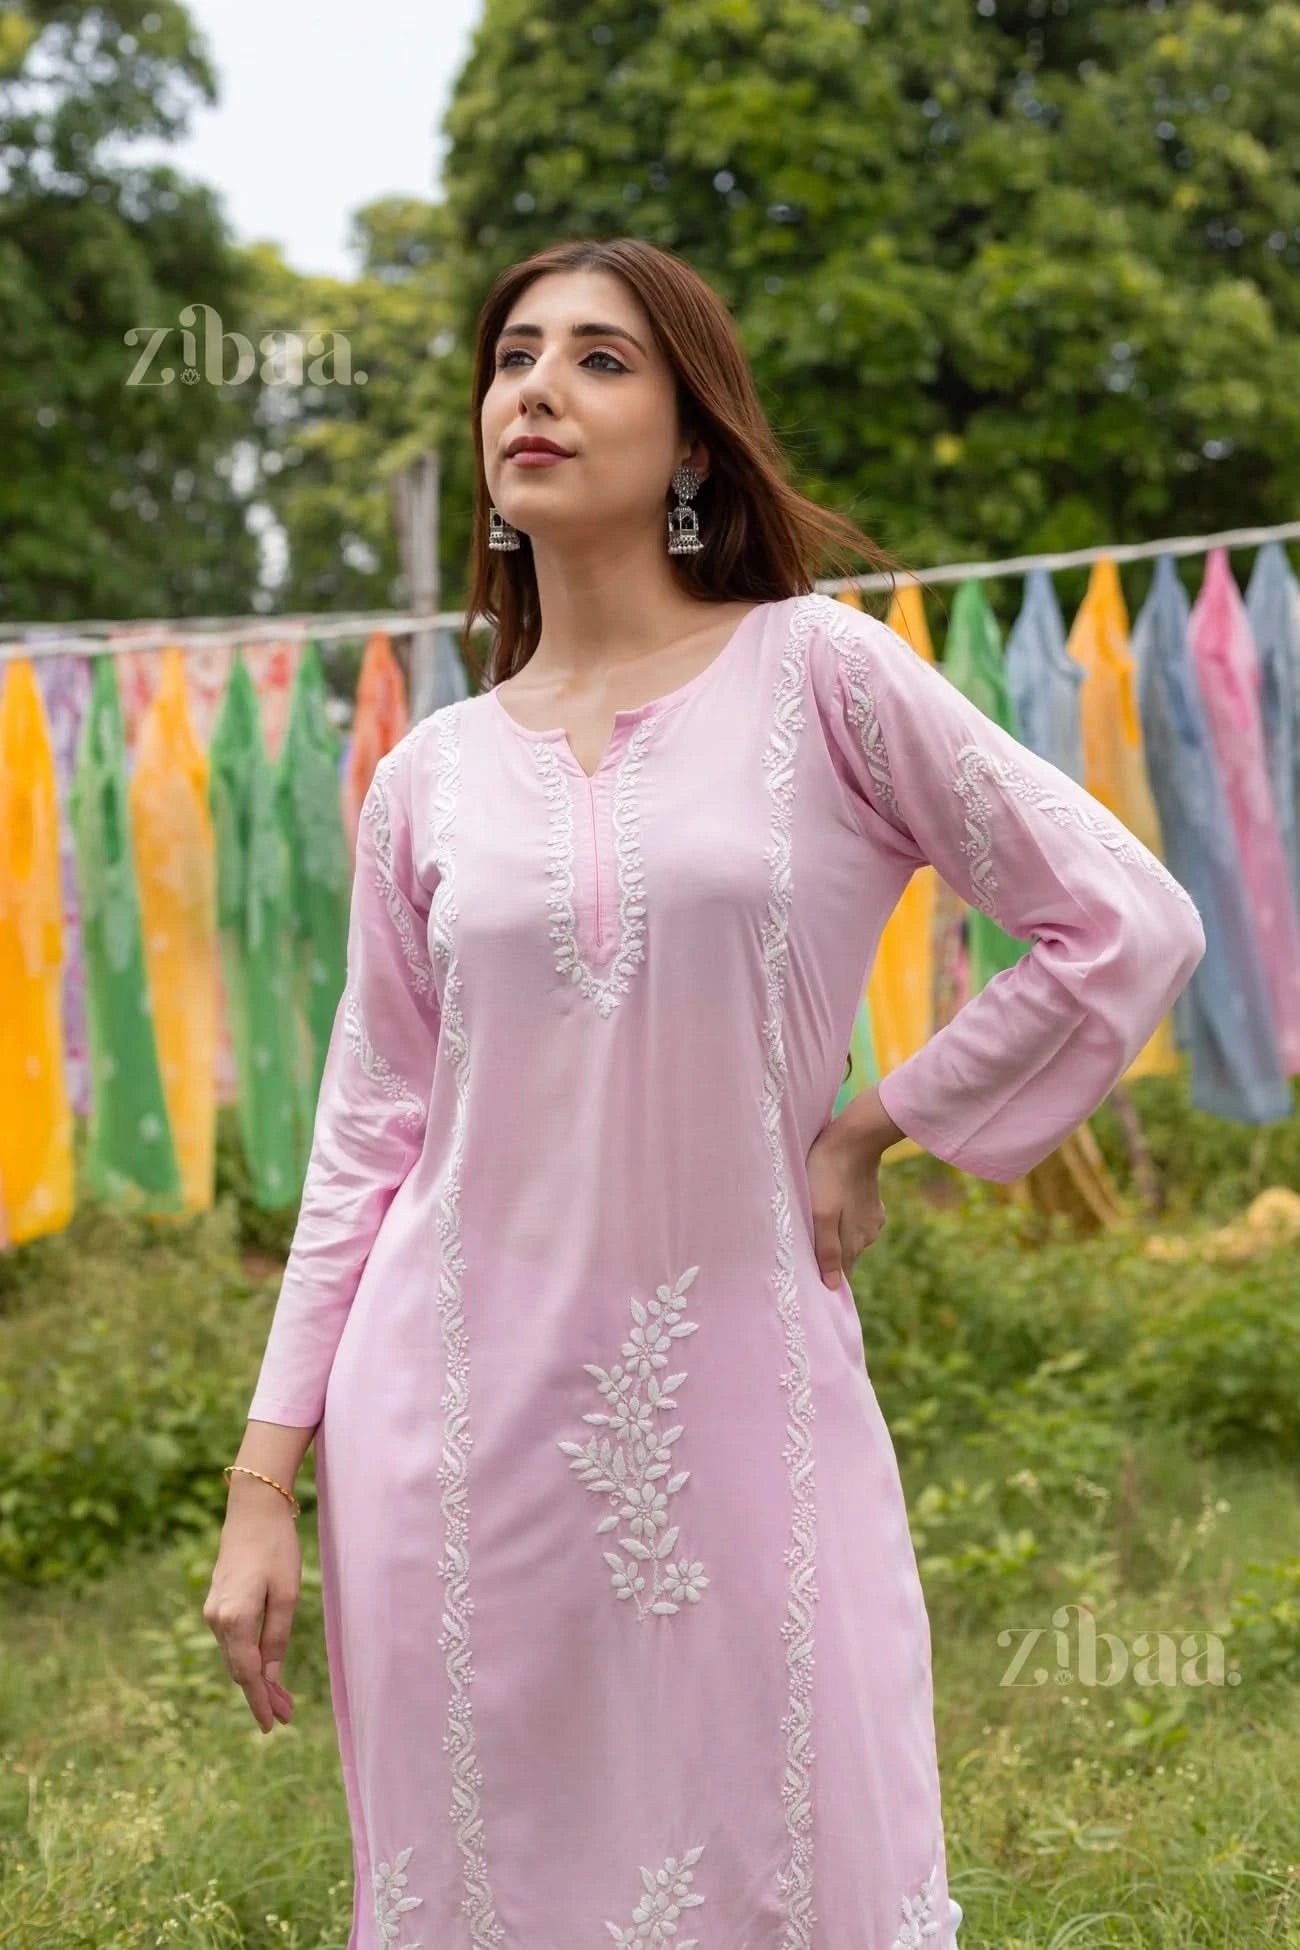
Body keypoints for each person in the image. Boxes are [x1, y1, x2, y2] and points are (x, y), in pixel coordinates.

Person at [204, 236, 1206, 1950]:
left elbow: (1123, 918)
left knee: (797, 1855)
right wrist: (262, 1485)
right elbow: (371, 1130)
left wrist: (883, 1119)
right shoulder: (426, 780)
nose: (538, 387)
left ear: (690, 441)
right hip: (444, 1439)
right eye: (515, 355)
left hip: (743, 1408)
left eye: (601, 359)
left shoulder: (819, 675)